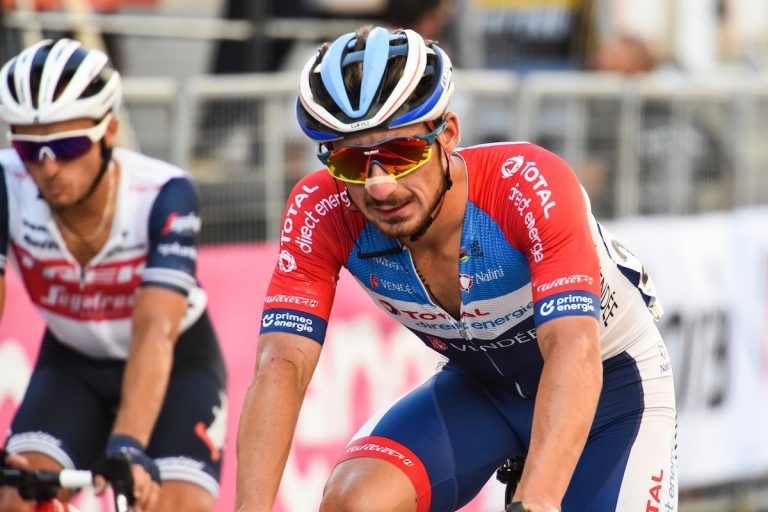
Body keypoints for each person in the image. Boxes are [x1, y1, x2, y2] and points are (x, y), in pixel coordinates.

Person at [236, 26, 677, 512]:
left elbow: (572, 349)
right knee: (355, 502)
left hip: (608, 389)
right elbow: (281, 365)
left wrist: (536, 502)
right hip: (481, 390)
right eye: (351, 162)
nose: (379, 186)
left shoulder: (528, 184)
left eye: (400, 154)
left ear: (446, 135)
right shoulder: (321, 210)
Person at [0, 39, 227, 511]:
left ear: (110, 132)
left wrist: (128, 444)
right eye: (29, 148)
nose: (48, 167)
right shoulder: (6, 183)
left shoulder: (164, 193)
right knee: (16, 497)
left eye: (67, 145)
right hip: (71, 365)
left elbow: (155, 330)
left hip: (177, 366)